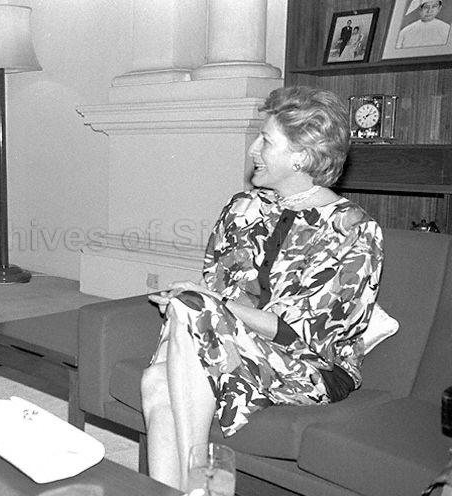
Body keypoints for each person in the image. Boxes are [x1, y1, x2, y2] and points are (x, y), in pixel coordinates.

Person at [140, 86, 383, 490]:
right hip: (229, 342)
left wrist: (207, 304)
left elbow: (303, 332)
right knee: (156, 377)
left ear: (302, 156)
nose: (253, 148)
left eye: (266, 140)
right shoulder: (242, 208)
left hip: (309, 365)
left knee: (188, 312)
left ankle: (199, 487)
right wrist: (202, 301)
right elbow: (217, 287)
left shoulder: (354, 230)